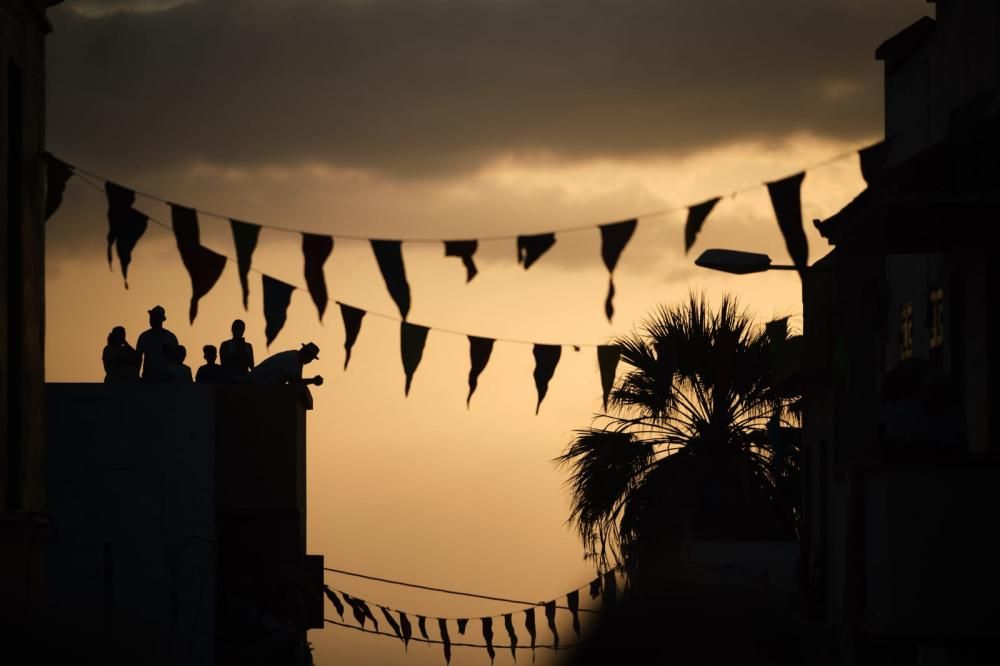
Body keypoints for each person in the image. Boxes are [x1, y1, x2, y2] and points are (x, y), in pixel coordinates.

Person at [251, 342, 323, 409]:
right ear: (304, 352)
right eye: (310, 358)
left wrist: (313, 380)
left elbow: (297, 381)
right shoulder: (291, 358)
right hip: (255, 384)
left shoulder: (297, 360)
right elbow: (295, 382)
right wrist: (313, 380)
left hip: (262, 386)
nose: (310, 361)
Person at [136, 305, 179, 382]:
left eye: (154, 317)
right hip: (148, 379)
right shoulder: (144, 337)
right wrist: (136, 375)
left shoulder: (170, 337)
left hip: (166, 380)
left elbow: (176, 359)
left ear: (161, 319)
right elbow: (138, 358)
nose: (152, 319)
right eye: (151, 317)